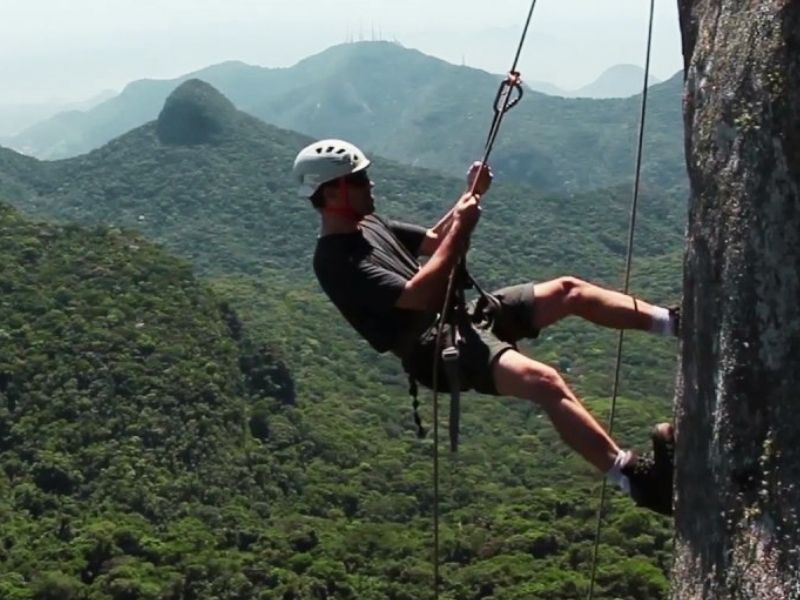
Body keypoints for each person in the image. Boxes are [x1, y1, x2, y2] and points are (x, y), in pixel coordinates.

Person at [292, 139, 676, 515]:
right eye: (359, 180)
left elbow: (435, 241)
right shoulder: (334, 261)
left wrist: (470, 196)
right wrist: (462, 227)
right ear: (332, 194)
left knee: (568, 290)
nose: (370, 184)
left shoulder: (371, 226)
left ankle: (674, 323)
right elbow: (420, 294)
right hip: (434, 350)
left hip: (461, 316)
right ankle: (636, 480)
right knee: (544, 382)